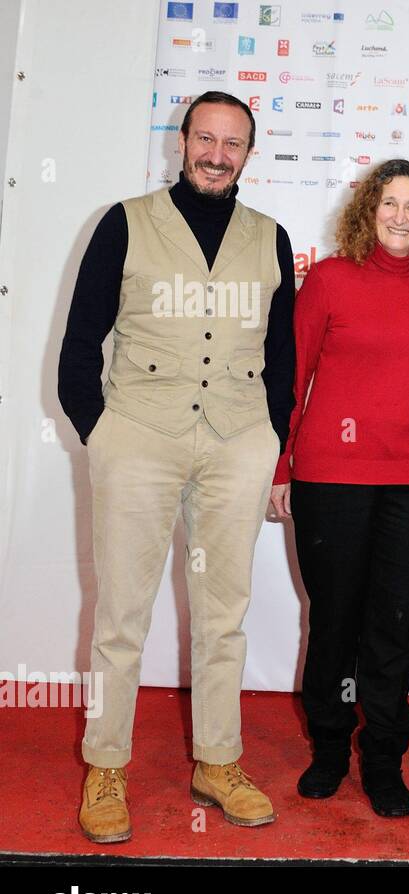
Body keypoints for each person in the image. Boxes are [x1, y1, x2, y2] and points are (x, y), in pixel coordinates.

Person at [57, 90, 295, 842]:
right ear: (182, 141)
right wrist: (103, 434)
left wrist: (272, 438)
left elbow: (282, 355)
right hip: (138, 438)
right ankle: (106, 765)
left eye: (232, 144)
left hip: (237, 441)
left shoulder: (271, 236)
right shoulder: (124, 223)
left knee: (224, 616)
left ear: (248, 155)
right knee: (120, 617)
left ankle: (217, 760)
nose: (217, 155)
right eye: (205, 138)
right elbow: (78, 343)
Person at [267, 159, 409, 818]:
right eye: (391, 204)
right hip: (329, 477)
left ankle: (382, 756)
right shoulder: (329, 279)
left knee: (393, 623)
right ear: (368, 210)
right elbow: (290, 373)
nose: (402, 217)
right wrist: (281, 465)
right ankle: (327, 747)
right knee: (335, 619)